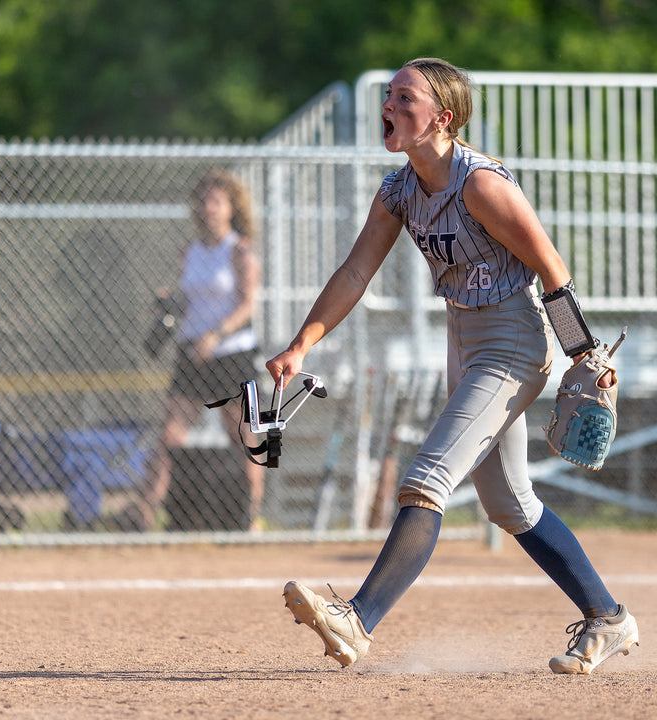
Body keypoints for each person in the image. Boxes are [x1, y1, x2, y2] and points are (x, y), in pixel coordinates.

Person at [266, 58, 637, 674]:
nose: (389, 106)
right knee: (511, 504)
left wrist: (583, 351)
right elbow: (356, 273)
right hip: (463, 339)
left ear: (443, 116)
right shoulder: (400, 189)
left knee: (427, 479)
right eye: (388, 97)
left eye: (405, 98)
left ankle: (357, 621)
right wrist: (302, 344)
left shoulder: (480, 184)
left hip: (514, 340)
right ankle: (608, 617)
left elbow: (550, 263)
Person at [122, 169, 264, 531]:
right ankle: (145, 510)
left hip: (230, 353)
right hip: (192, 354)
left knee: (242, 436)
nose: (208, 209)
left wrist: (216, 334)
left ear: (231, 208)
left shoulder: (240, 251)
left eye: (216, 202)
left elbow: (248, 304)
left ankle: (250, 515)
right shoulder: (191, 252)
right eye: (202, 202)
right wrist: (171, 302)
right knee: (169, 434)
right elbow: (191, 297)